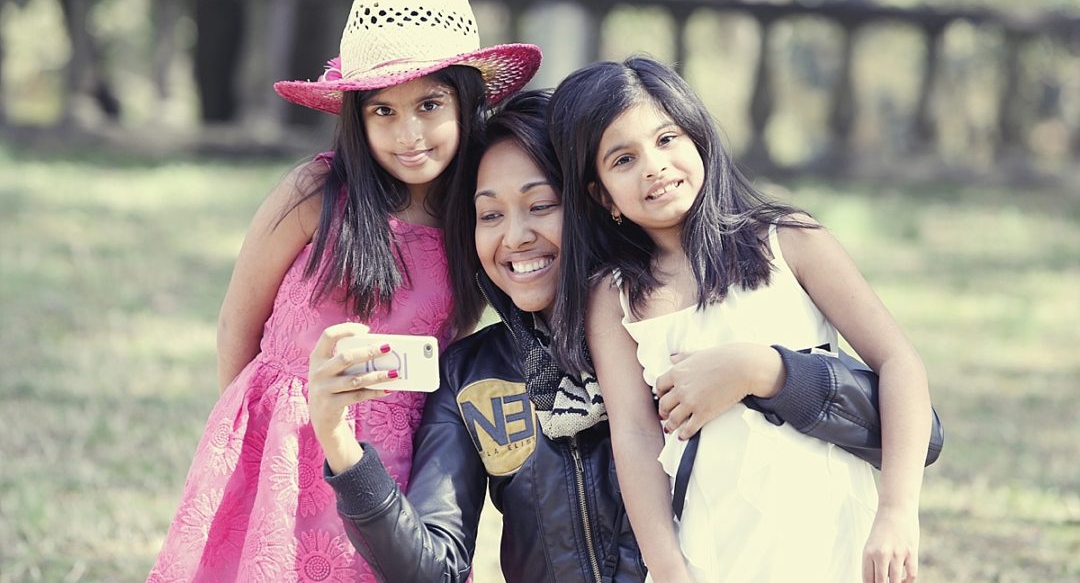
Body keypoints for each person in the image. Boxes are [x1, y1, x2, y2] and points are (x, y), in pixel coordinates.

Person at [306, 89, 931, 583]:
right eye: (489, 214)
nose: (515, 236)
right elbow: (433, 572)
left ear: (592, 203)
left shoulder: (676, 318)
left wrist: (768, 371)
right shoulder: (475, 376)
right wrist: (341, 447)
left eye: (540, 204)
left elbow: (919, 433)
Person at [147, 0, 541, 582]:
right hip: (280, 436)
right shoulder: (318, 193)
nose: (408, 135)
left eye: (429, 106)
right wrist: (246, 442)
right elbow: (237, 319)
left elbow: (450, 336)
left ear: (467, 102)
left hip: (387, 450)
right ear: (357, 117)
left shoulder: (473, 221)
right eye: (383, 110)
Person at [548, 56, 934, 583]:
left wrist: (897, 514)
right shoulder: (614, 299)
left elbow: (898, 362)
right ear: (601, 196)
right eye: (623, 160)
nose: (654, 166)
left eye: (666, 139)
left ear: (698, 137)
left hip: (835, 531)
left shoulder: (788, 240)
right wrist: (668, 568)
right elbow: (635, 436)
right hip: (716, 548)